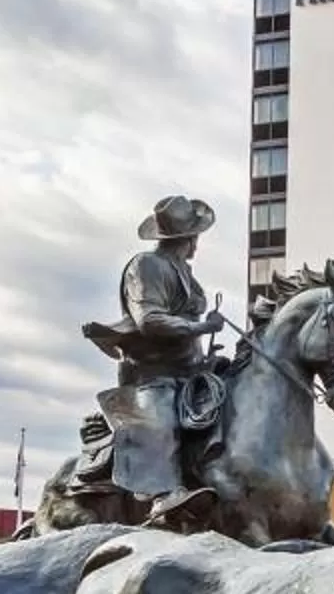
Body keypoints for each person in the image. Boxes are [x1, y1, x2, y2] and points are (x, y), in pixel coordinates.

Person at [74, 196, 225, 520]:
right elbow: (150, 320)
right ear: (188, 238)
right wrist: (203, 325)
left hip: (189, 369)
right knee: (159, 422)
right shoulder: (145, 266)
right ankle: (163, 492)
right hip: (153, 374)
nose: (197, 242)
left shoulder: (184, 271)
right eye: (195, 235)